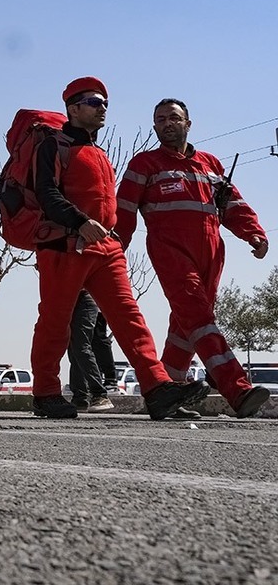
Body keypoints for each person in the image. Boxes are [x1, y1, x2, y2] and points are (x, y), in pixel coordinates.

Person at [29, 77, 208, 419]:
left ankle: (157, 390)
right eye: (95, 103)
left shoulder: (98, 152)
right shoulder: (53, 145)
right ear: (73, 108)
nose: (103, 108)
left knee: (130, 318)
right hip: (65, 245)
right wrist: (80, 221)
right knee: (56, 321)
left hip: (105, 248)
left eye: (105, 103)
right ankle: (46, 393)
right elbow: (46, 193)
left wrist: (111, 236)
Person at [117, 97, 270, 418]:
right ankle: (237, 389)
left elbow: (232, 204)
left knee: (187, 327)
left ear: (188, 123)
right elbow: (123, 215)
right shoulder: (143, 165)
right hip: (171, 253)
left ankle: (170, 393)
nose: (166, 124)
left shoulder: (211, 164)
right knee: (200, 318)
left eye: (173, 118)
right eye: (159, 119)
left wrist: (253, 233)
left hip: (213, 253)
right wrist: (113, 256)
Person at [67, 292, 114, 411]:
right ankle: (80, 398)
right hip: (70, 299)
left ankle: (99, 394)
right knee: (74, 349)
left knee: (81, 347)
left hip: (83, 299)